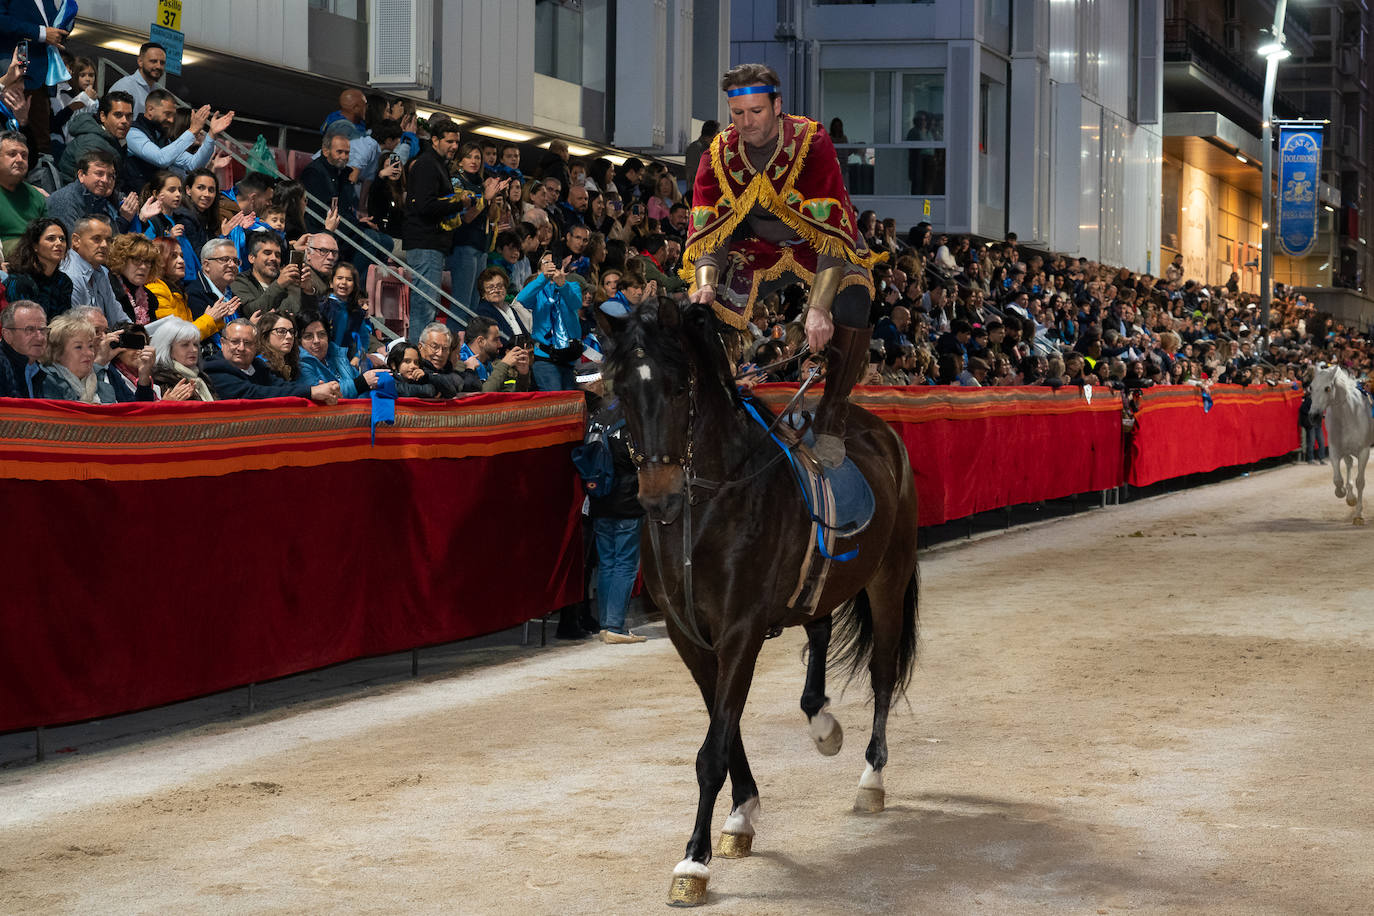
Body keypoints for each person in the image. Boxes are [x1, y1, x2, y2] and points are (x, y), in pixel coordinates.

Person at [683, 63, 883, 467]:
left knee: (855, 297)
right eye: (737, 114)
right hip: (757, 247)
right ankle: (717, 410)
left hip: (825, 243)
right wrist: (705, 283)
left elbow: (832, 229)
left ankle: (832, 416)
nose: (746, 122)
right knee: (703, 308)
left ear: (777, 105)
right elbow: (710, 235)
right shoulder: (718, 154)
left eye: (756, 111)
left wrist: (819, 308)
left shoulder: (813, 142)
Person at [580, 368, 647, 643]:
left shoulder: (597, 417)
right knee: (625, 564)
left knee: (607, 563)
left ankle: (607, 624)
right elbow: (635, 459)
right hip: (627, 499)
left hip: (599, 498)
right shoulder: (630, 418)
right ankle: (615, 626)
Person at [401, 118, 463, 343]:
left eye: (457, 142)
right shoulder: (428, 164)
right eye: (449, 141)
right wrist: (459, 203)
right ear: (435, 140)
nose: (454, 146)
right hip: (424, 243)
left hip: (431, 244)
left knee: (427, 305)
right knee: (424, 306)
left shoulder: (436, 164)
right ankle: (418, 358)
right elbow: (424, 206)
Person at [202, 316, 339, 401]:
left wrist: (318, 390)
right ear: (223, 343)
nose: (241, 348)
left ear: (256, 345)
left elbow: (282, 386)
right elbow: (255, 394)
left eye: (248, 343)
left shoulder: (257, 365)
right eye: (235, 341)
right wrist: (310, 392)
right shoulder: (214, 368)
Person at [125, 88, 231, 187]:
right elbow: (161, 159)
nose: (171, 120)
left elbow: (193, 165)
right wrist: (192, 131)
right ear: (150, 109)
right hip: (132, 200)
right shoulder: (133, 132)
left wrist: (212, 135)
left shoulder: (162, 138)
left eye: (173, 116)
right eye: (167, 114)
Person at [516, 253, 582, 391]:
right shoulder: (537, 290)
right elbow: (522, 299)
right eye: (547, 263)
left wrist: (562, 285)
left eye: (554, 262)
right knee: (555, 399)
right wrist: (543, 278)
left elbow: (576, 303)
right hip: (546, 355)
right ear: (540, 269)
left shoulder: (572, 286)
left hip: (569, 354)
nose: (551, 266)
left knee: (569, 403)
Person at [39, 311, 127, 403]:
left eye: (90, 346)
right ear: (57, 353)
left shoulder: (105, 388)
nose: (89, 353)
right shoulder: (45, 382)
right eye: (78, 347)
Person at [59, 90, 137, 190]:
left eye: (129, 116)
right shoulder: (91, 142)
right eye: (118, 115)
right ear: (103, 116)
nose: (124, 121)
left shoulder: (114, 140)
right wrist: (121, 201)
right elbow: (91, 187)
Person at [45, 148, 135, 233]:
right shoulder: (64, 201)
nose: (105, 180)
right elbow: (73, 245)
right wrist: (124, 220)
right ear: (81, 175)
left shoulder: (104, 200)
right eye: (99, 173)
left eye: (111, 176)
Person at [297, 308, 380, 398]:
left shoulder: (337, 355)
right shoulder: (301, 365)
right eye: (308, 336)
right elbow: (323, 396)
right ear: (299, 341)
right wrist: (360, 384)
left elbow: (363, 387)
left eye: (321, 334)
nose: (316, 341)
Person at [60, 214, 124, 324]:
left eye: (108, 240)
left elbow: (117, 315)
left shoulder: (102, 270)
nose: (104, 245)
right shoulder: (69, 275)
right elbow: (73, 329)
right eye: (96, 239)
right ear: (76, 240)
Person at [231, 231, 312, 316]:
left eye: (277, 255)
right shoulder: (239, 281)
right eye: (267, 253)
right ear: (252, 258)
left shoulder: (288, 281)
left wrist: (308, 291)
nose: (274, 258)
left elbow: (302, 315)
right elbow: (251, 311)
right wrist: (279, 285)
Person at [4, 218, 71, 319]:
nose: (59, 243)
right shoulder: (20, 282)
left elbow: (64, 322)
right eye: (51, 238)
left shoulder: (63, 281)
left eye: (62, 239)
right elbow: (22, 326)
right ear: (35, 246)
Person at [458, 315, 532, 392]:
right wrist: (504, 364)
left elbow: (511, 395)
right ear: (481, 341)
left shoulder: (492, 364)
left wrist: (523, 374)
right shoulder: (461, 364)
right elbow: (480, 397)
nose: (501, 344)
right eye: (496, 339)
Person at [149, 315, 215, 400]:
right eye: (185, 345)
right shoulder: (162, 381)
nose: (194, 350)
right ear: (168, 350)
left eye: (195, 344)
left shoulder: (203, 377)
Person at [185, 237, 246, 328]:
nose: (232, 265)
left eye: (235, 261)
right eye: (225, 259)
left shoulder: (232, 295)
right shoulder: (193, 294)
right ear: (206, 265)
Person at [0, 129, 44, 255]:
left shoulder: (37, 196)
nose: (20, 159)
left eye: (24, 155)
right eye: (12, 154)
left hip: (34, 259)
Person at [107, 232, 162, 324]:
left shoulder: (150, 299)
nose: (143, 267)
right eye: (137, 259)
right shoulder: (110, 289)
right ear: (122, 259)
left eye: (148, 261)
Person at [0, 299, 48, 397]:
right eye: (29, 330)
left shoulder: (40, 371)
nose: (40, 337)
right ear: (7, 335)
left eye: (42, 330)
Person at [108, 41, 165, 117]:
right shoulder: (124, 87)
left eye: (162, 63)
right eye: (153, 61)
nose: (158, 66)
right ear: (140, 62)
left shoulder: (160, 91)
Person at [254, 309, 301, 382]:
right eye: (281, 331)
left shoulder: (291, 363)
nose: (289, 336)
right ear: (265, 335)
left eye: (291, 332)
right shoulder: (260, 365)